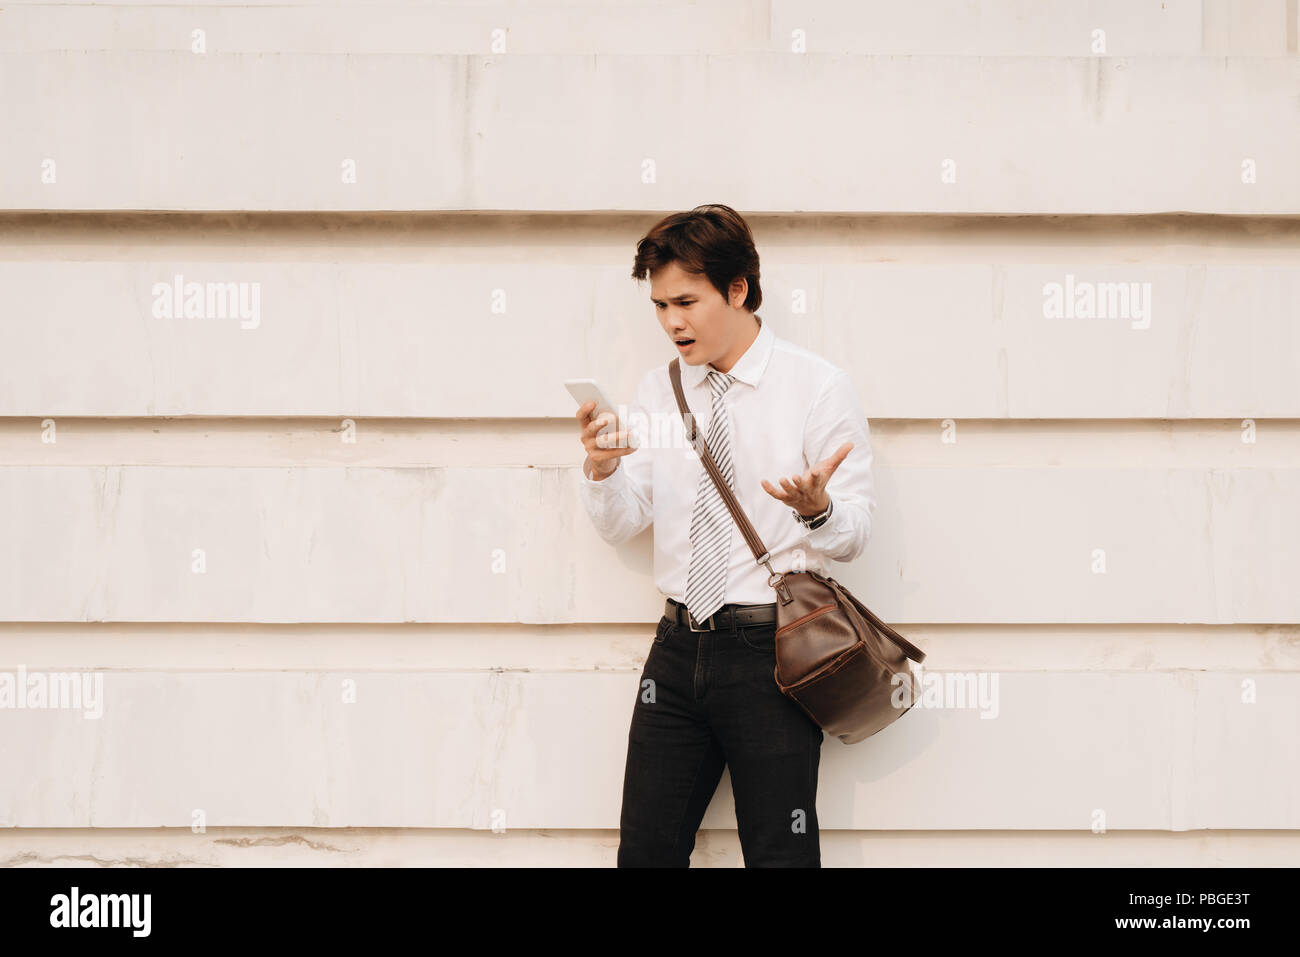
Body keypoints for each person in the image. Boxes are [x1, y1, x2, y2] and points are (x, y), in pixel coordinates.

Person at [573, 204, 876, 867]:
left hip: (772, 653)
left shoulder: (816, 387)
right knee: (646, 853)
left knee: (780, 854)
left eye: (686, 300)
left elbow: (854, 535)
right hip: (677, 651)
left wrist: (818, 509)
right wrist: (602, 469)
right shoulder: (660, 390)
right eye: (658, 305)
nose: (671, 321)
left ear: (737, 289)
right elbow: (626, 521)